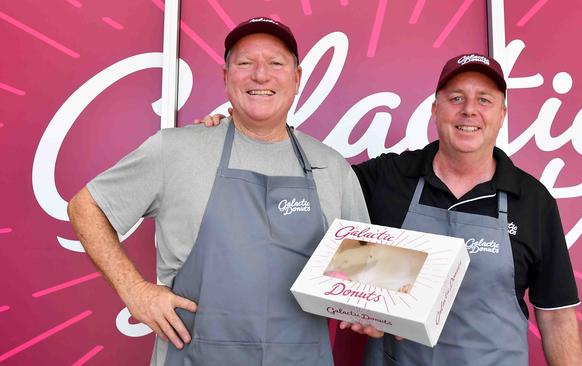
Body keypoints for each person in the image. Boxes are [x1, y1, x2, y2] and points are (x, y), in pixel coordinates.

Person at [201, 53, 582, 365]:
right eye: (455, 98)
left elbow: (557, 316)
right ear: (435, 110)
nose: (469, 110)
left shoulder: (534, 201)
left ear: (502, 113)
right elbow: (304, 187)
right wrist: (246, 133)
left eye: (484, 99)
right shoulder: (389, 176)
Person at [68, 17, 368, 366]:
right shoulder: (174, 151)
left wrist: (373, 314)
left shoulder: (333, 168)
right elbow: (84, 208)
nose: (260, 75)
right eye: (244, 63)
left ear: (297, 78)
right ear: (225, 78)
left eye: (275, 63)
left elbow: (361, 277)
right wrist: (135, 291)